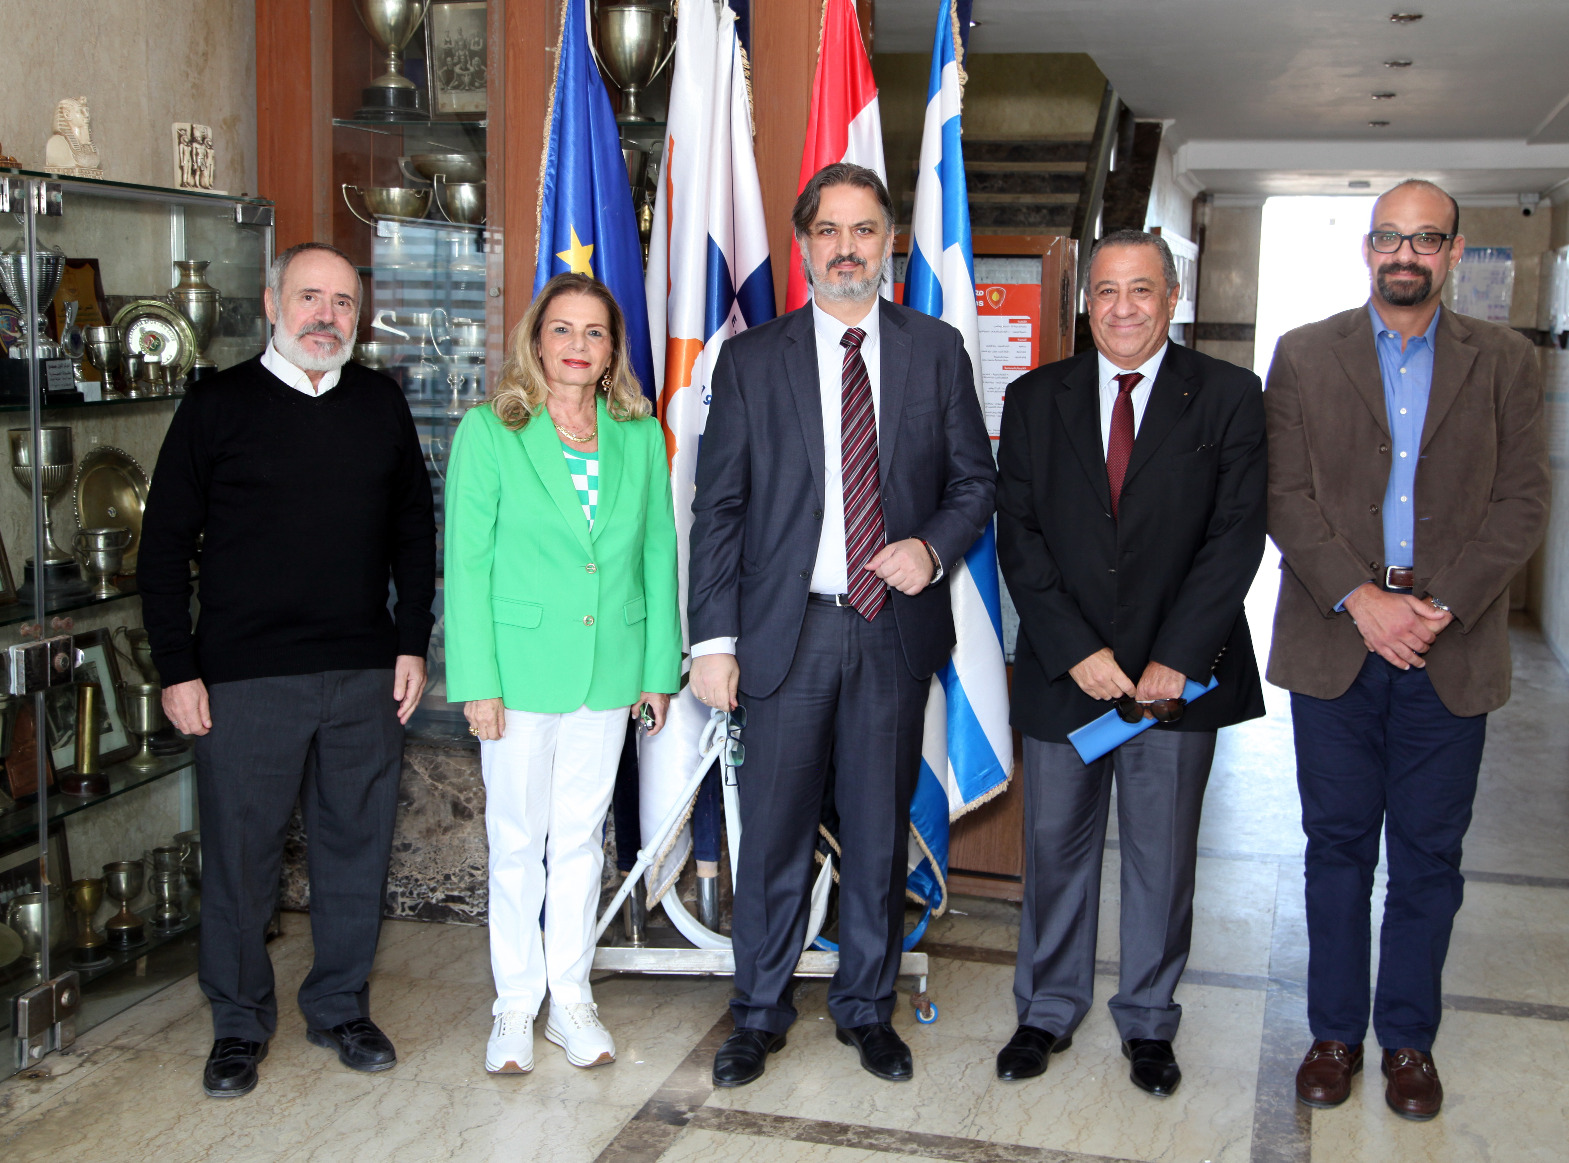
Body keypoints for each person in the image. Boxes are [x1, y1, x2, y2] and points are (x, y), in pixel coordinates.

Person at [688, 162, 996, 1087]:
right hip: (785, 638)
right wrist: (713, 642)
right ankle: (757, 1013)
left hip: (892, 632)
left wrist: (931, 549)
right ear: (803, 245)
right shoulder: (750, 359)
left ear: (888, 242)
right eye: (829, 230)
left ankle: (866, 1009)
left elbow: (975, 483)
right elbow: (719, 510)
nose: (847, 248)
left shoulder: (936, 350)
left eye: (864, 230)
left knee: (875, 835)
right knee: (772, 838)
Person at [1266, 180, 1549, 1121]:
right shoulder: (1305, 354)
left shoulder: (1505, 362)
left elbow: (1522, 503)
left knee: (1429, 855)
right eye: (1390, 236)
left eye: (1426, 239)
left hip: (1448, 649)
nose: (1405, 253)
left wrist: (1438, 606)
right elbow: (1284, 496)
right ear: (1367, 247)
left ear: (1454, 252)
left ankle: (1409, 1040)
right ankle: (1334, 1034)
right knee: (1337, 847)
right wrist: (1363, 599)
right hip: (1335, 643)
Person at [139, 241, 436, 1098]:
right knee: (242, 857)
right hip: (243, 677)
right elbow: (163, 547)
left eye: (343, 302)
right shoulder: (216, 404)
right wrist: (176, 667)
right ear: (273, 304)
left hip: (363, 674)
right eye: (309, 297)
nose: (326, 316)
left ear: (359, 318)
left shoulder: (380, 402)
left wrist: (410, 642)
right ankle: (238, 1022)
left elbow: (414, 533)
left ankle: (340, 1005)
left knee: (356, 848)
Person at [994, 229, 1267, 1097]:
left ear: (1172, 297)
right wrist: (1077, 650)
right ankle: (1046, 1009)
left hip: (1175, 685)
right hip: (1068, 672)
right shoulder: (1034, 398)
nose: (1122, 307)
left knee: (1162, 855)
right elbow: (1019, 535)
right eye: (1106, 291)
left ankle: (1149, 1020)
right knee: (1054, 850)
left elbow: (1236, 536)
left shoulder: (1229, 395)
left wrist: (1176, 659)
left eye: (1141, 289)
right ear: (1086, 303)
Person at [444, 272, 680, 1075]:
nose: (578, 345)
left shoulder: (639, 438)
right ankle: (516, 1003)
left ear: (613, 351)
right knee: (516, 841)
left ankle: (570, 997)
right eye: (563, 329)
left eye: (595, 332)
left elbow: (658, 555)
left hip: (609, 669)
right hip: (516, 674)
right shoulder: (491, 430)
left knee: (580, 839)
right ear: (535, 341)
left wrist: (657, 669)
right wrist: (478, 681)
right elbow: (466, 565)